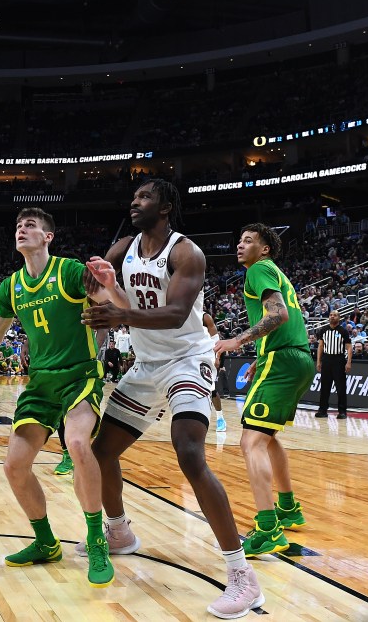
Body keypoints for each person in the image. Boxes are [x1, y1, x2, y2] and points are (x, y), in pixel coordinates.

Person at [81, 180, 263, 619]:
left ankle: (242, 577)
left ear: (165, 207)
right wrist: (102, 282)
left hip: (187, 359)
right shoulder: (123, 247)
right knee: (100, 450)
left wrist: (119, 313)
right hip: (145, 365)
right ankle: (119, 531)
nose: (134, 202)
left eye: (144, 197)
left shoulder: (187, 253)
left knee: (188, 453)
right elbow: (102, 293)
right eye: (133, 197)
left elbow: (177, 314)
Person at [0, 207, 115, 588]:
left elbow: (111, 306)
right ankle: (46, 542)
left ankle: (96, 541)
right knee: (14, 465)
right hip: (41, 382)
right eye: (17, 226)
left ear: (48, 237)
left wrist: (108, 289)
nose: (21, 229)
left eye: (30, 225)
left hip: (79, 374)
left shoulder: (71, 271)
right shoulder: (10, 286)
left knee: (77, 444)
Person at [214, 223, 315, 560]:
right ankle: (288, 508)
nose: (240, 245)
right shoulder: (274, 271)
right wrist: (262, 354)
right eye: (239, 240)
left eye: (248, 240)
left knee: (251, 442)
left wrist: (238, 340)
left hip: (283, 360)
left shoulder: (258, 269)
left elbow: (279, 314)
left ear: (265, 249)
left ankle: (268, 528)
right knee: (267, 437)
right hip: (296, 359)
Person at [315, 309, 351, 419]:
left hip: (339, 360)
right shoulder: (323, 330)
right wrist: (318, 361)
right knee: (325, 386)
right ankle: (322, 410)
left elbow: (349, 347)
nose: (332, 317)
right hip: (326, 359)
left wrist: (348, 362)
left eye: (334, 315)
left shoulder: (343, 331)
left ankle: (342, 411)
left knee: (340, 387)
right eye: (330, 315)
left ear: (338, 318)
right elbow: (320, 346)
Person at [203, 312, 227, 432]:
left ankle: (220, 419)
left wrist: (217, 358)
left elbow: (216, 343)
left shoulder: (205, 318)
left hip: (207, 356)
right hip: (190, 356)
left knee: (211, 390)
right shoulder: (182, 316)